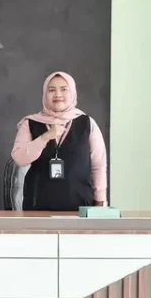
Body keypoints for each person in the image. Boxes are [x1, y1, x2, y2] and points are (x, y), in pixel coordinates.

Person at [11, 72, 108, 210]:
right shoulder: (30, 123)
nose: (58, 95)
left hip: (80, 207)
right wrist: (45, 137)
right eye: (51, 90)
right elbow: (20, 158)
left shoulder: (87, 123)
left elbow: (98, 165)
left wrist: (100, 200)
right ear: (44, 94)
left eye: (64, 89)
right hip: (38, 207)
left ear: (72, 93)